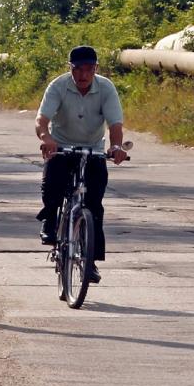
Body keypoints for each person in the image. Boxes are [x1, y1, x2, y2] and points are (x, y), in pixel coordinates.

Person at [34, 45, 127, 283]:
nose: (83, 75)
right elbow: (41, 119)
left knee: (94, 204)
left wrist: (116, 147)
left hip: (93, 149)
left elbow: (115, 124)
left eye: (89, 69)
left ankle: (91, 262)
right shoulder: (58, 86)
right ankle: (51, 221)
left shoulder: (106, 88)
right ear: (71, 69)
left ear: (96, 68)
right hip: (62, 145)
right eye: (78, 69)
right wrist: (47, 139)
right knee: (52, 184)